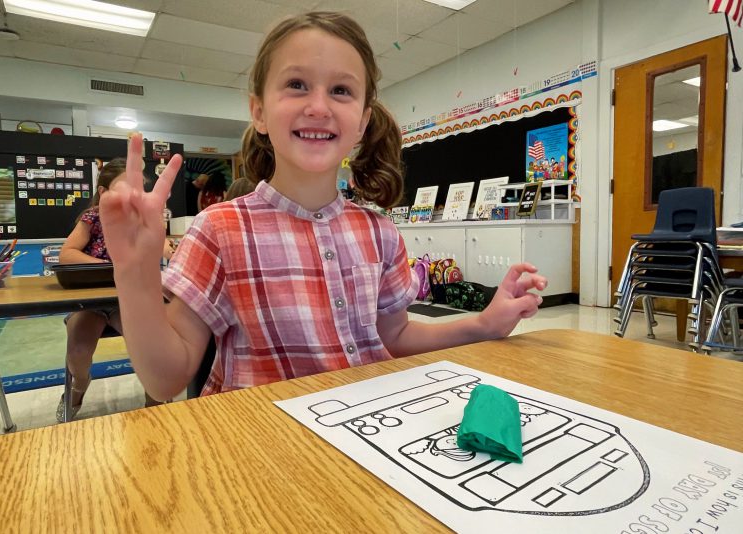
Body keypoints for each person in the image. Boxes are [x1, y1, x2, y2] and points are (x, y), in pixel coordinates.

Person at [100, 12, 547, 402]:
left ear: (363, 122)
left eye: (341, 90)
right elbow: (166, 379)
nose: (318, 106)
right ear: (258, 112)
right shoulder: (219, 229)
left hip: (369, 437)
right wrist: (134, 274)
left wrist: (483, 324)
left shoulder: (379, 232)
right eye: (296, 85)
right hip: (267, 455)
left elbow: (396, 336)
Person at [56, 158, 172, 422]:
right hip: (91, 302)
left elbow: (163, 246)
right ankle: (79, 386)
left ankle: (156, 404)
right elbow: (67, 254)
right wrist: (109, 265)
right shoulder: (92, 218)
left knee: (151, 345)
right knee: (78, 353)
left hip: (129, 301)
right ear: (103, 193)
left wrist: (170, 249)